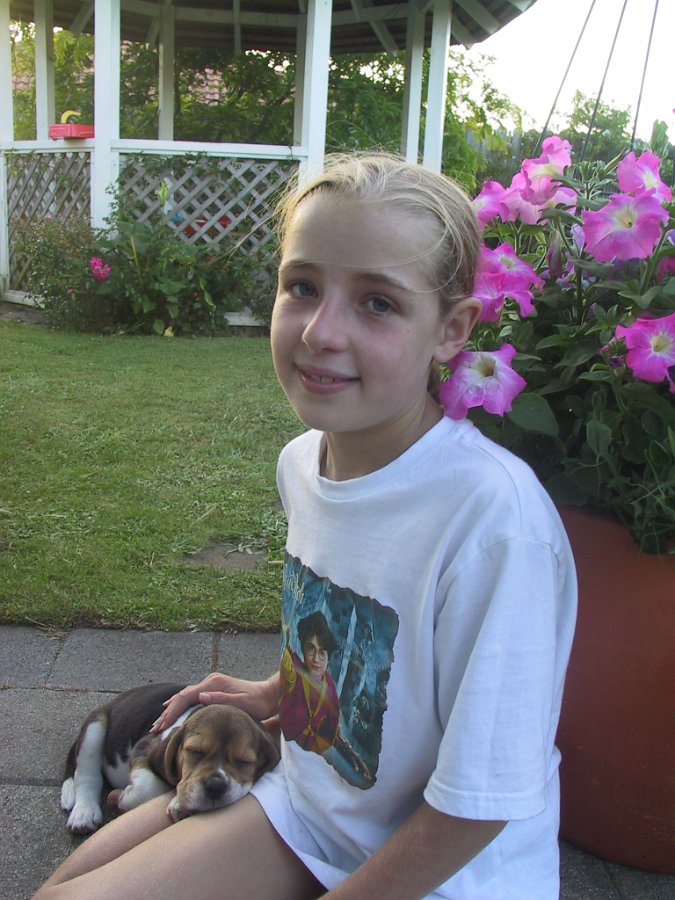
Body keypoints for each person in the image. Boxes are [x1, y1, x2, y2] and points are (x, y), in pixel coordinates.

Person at [35, 154, 576, 899]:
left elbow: (478, 806)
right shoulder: (302, 463)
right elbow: (353, 642)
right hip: (309, 807)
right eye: (303, 287)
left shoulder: (493, 523)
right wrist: (276, 691)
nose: (320, 332)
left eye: (377, 303)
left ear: (451, 329)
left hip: (443, 873)